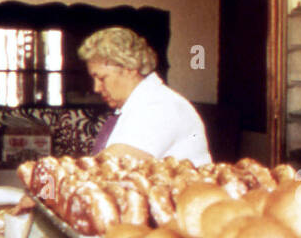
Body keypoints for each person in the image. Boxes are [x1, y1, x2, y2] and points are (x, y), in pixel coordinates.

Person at [78, 26, 211, 165]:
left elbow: (106, 166)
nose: (96, 88)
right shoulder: (139, 104)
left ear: (129, 69)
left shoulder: (160, 106)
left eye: (101, 78)